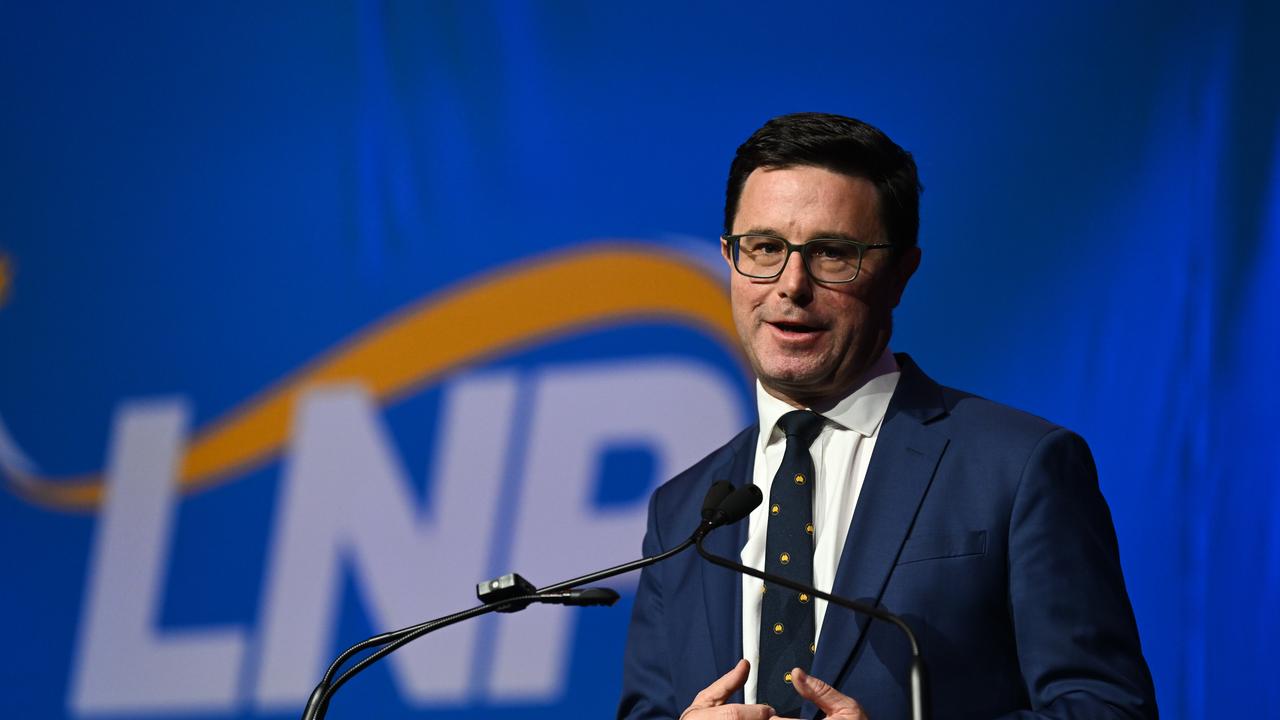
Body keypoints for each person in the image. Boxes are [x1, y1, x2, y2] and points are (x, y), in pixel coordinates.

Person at [617, 113, 1157, 719]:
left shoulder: (1018, 467)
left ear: (901, 273)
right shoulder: (683, 511)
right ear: (728, 257)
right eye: (764, 248)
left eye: (833, 254)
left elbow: (1107, 708)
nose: (791, 284)